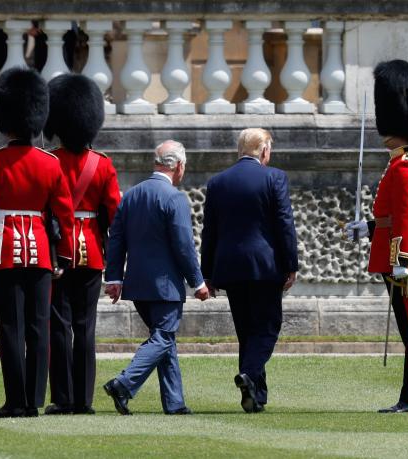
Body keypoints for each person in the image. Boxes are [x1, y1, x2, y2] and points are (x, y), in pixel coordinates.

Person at [0, 67, 75, 418]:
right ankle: (34, 398)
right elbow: (64, 214)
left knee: (11, 329)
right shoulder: (50, 162)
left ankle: (16, 400)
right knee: (39, 327)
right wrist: (64, 255)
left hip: (4, 252)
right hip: (42, 252)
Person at [344, 60, 408, 413]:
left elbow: (407, 221)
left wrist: (402, 262)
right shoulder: (398, 163)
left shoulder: (406, 167)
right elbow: (391, 218)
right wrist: (366, 228)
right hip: (398, 255)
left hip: (404, 260)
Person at [101, 141, 207, 416]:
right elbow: (184, 246)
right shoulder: (174, 198)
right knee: (163, 338)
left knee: (164, 340)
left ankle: (175, 403)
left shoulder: (132, 195)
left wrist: (114, 278)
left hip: (137, 285)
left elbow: (117, 241)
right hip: (166, 286)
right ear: (178, 166)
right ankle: (123, 383)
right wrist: (198, 282)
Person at [201, 128, 299, 413]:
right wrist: (291, 264)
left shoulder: (218, 181)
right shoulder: (274, 177)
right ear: (265, 151)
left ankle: (256, 394)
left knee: (247, 331)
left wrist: (207, 273)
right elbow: (284, 225)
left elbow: (210, 232)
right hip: (266, 266)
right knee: (267, 328)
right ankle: (250, 374)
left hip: (230, 267)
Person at [43, 74, 120, 415]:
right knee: (85, 327)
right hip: (91, 251)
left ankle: (62, 396)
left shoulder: (49, 160)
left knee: (58, 325)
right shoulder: (102, 164)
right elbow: (114, 214)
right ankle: (83, 400)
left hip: (56, 251)